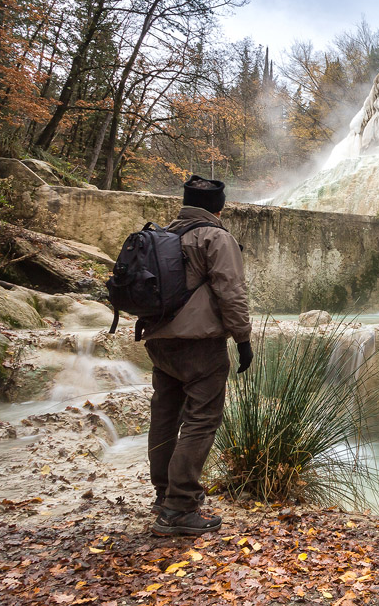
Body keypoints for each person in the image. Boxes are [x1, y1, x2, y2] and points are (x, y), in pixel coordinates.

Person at [144, 175, 254, 536]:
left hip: (160, 342)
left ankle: (164, 495)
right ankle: (179, 508)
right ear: (218, 207)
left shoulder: (162, 235)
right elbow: (231, 290)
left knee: (165, 415)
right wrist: (243, 339)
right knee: (201, 420)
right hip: (199, 344)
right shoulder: (215, 237)